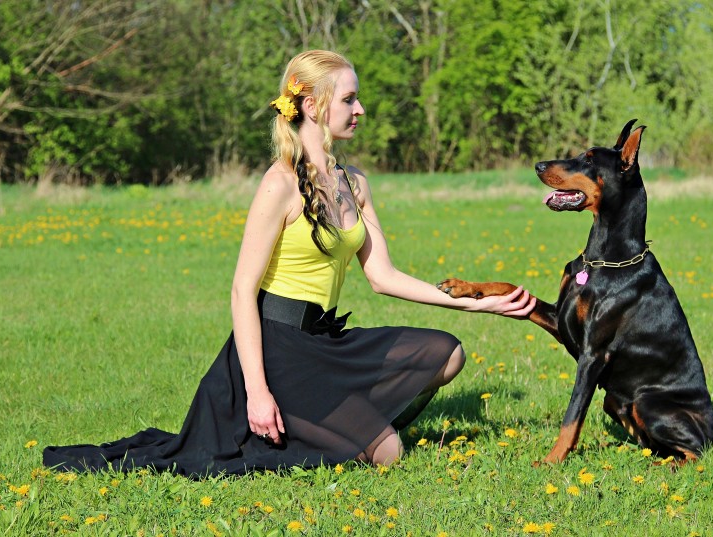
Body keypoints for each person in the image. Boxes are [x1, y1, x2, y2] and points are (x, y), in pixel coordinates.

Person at [43, 50, 535, 477]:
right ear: (312, 105)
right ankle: (285, 428)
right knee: (388, 452)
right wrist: (256, 391)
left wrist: (474, 306)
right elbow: (242, 291)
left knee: (448, 353)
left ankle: (334, 417)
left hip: (325, 340)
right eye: (349, 100)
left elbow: (381, 276)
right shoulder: (279, 184)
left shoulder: (354, 182)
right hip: (278, 349)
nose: (360, 109)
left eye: (357, 99)